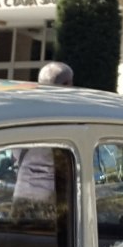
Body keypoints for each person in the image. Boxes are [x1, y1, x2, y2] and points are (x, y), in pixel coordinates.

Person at [12, 62, 75, 204]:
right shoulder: (68, 116)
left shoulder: (23, 115)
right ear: (67, 84)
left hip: (21, 196)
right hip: (51, 202)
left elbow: (15, 154)